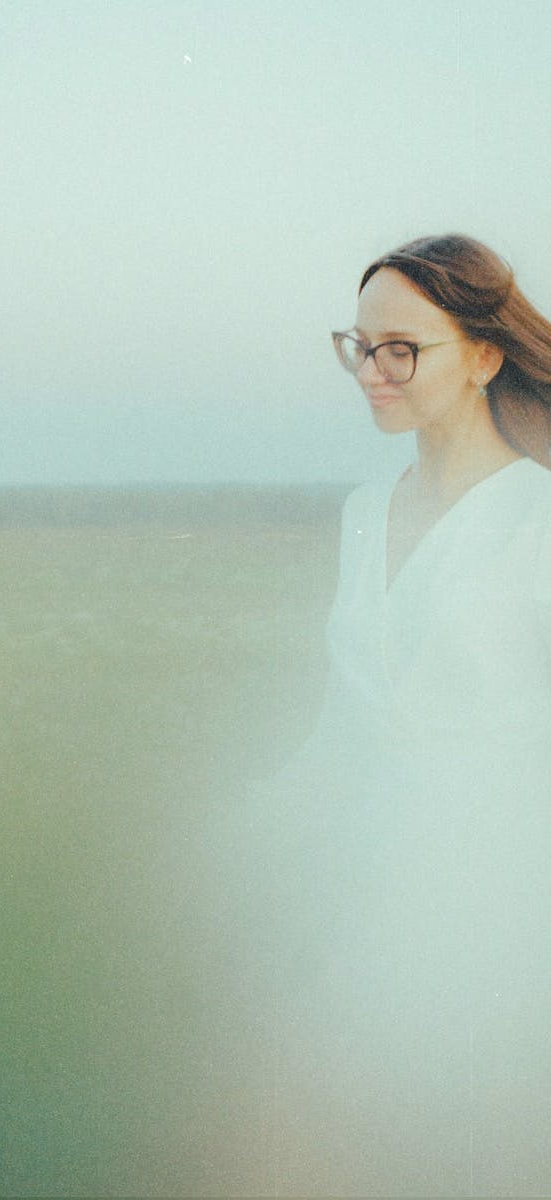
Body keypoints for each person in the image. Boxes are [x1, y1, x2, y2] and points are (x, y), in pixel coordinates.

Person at [190, 235, 551, 1196]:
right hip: (359, 911)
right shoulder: (362, 511)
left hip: (503, 933)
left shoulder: (540, 521)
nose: (373, 372)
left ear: (484, 355)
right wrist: (230, 822)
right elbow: (347, 728)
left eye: (403, 348)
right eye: (360, 345)